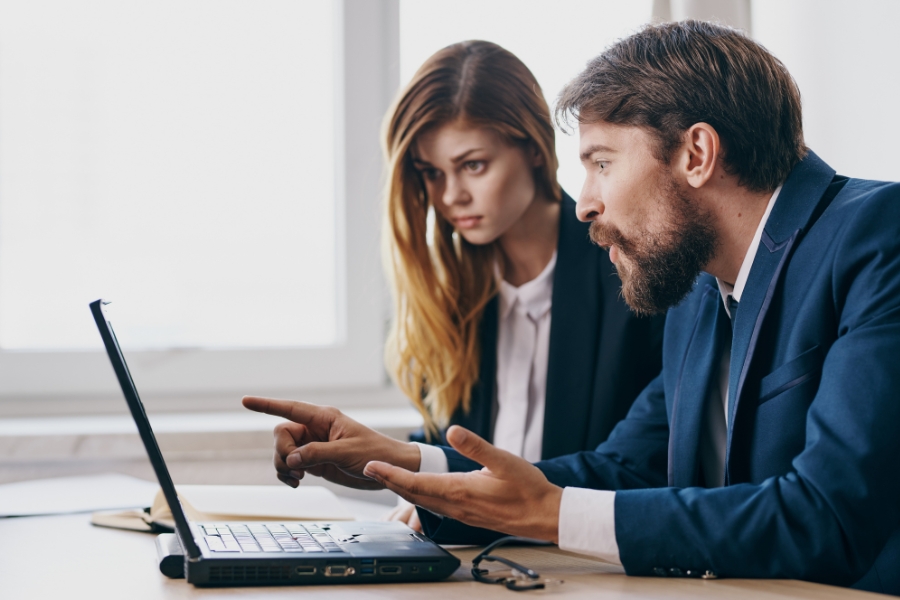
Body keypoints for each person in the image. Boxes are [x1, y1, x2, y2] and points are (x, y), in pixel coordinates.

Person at [243, 21, 900, 595]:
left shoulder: (877, 235)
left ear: (696, 155)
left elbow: (828, 516)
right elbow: (624, 468)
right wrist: (411, 472)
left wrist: (552, 515)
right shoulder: (701, 292)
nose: (584, 202)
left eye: (602, 163)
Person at [371, 40, 663, 529]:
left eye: (473, 165)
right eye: (431, 173)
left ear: (532, 146)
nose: (450, 195)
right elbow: (450, 445)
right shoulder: (449, 296)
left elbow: (638, 469)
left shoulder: (633, 275)